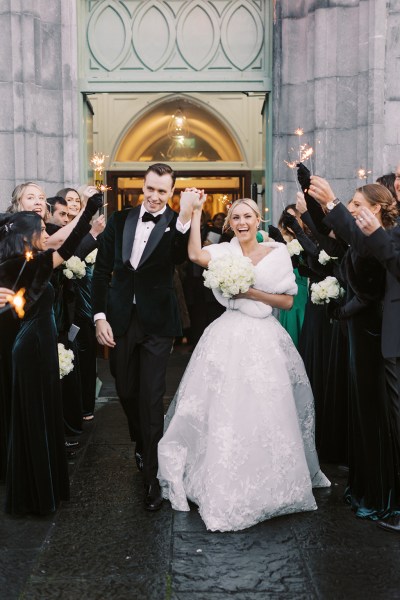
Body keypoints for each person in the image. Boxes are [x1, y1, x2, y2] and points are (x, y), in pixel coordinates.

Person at [158, 195, 330, 532]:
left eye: (248, 216)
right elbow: (194, 254)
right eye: (235, 217)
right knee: (224, 406)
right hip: (227, 334)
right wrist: (193, 214)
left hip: (264, 336)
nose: (242, 222)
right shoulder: (223, 252)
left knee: (266, 407)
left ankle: (270, 478)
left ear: (257, 219)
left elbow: (287, 299)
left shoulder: (277, 253)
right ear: (228, 223)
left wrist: (251, 293)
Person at [91, 163, 192, 511]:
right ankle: (140, 440)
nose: (154, 196)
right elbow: (102, 270)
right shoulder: (119, 221)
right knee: (126, 389)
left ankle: (153, 476)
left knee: (151, 396)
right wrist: (99, 316)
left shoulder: (177, 223)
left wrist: (184, 221)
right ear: (143, 185)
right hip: (119, 319)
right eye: (150, 189)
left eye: (162, 191)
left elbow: (180, 256)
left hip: (158, 323)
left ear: (171, 192)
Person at [0, 192, 102, 515]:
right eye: (41, 232)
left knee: (42, 414)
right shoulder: (21, 266)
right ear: (26, 236)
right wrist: (88, 213)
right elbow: (67, 244)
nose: (47, 235)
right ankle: (35, 494)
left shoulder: (32, 263)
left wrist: (88, 213)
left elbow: (67, 244)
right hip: (31, 347)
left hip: (39, 346)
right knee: (34, 418)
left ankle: (42, 488)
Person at [308, 176, 400, 526]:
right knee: (363, 414)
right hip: (360, 336)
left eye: (357, 205)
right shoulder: (368, 240)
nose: (352, 210)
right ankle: (365, 488)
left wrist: (341, 310)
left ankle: (383, 496)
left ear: (376, 209)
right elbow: (343, 238)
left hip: (375, 335)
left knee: (378, 417)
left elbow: (371, 291)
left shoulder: (382, 240)